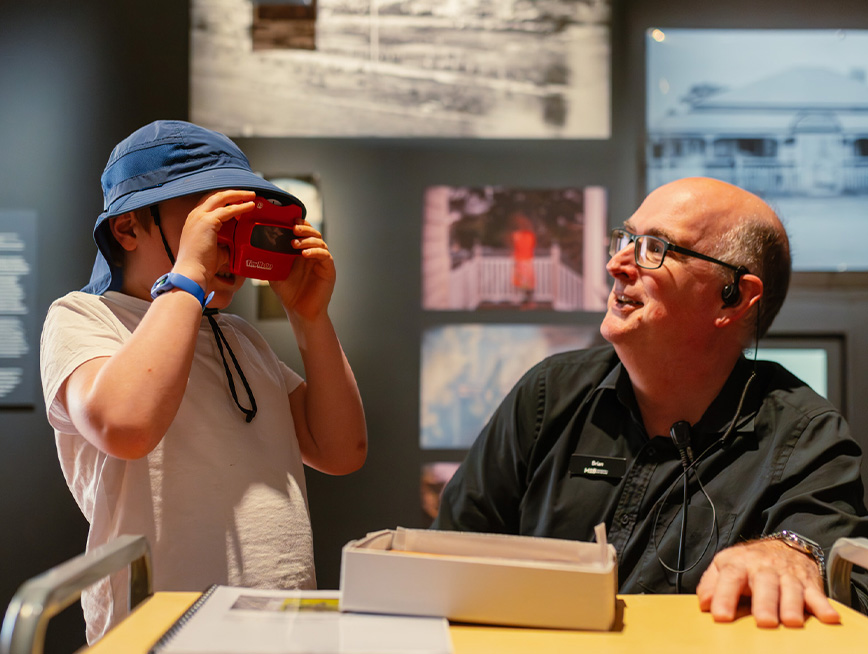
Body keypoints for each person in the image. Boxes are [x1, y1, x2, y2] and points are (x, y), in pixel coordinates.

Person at [433, 176, 868, 627]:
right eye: (626, 239)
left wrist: (790, 552)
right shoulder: (549, 393)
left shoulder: (807, 435)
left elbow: (836, 568)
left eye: (656, 248)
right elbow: (447, 555)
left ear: (733, 298)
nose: (617, 263)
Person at [39, 120, 367, 642]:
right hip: (156, 629)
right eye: (214, 222)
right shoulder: (83, 317)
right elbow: (126, 426)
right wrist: (187, 277)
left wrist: (311, 319)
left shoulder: (239, 339)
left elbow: (341, 449)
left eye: (242, 221)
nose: (231, 242)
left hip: (280, 626)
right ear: (128, 229)